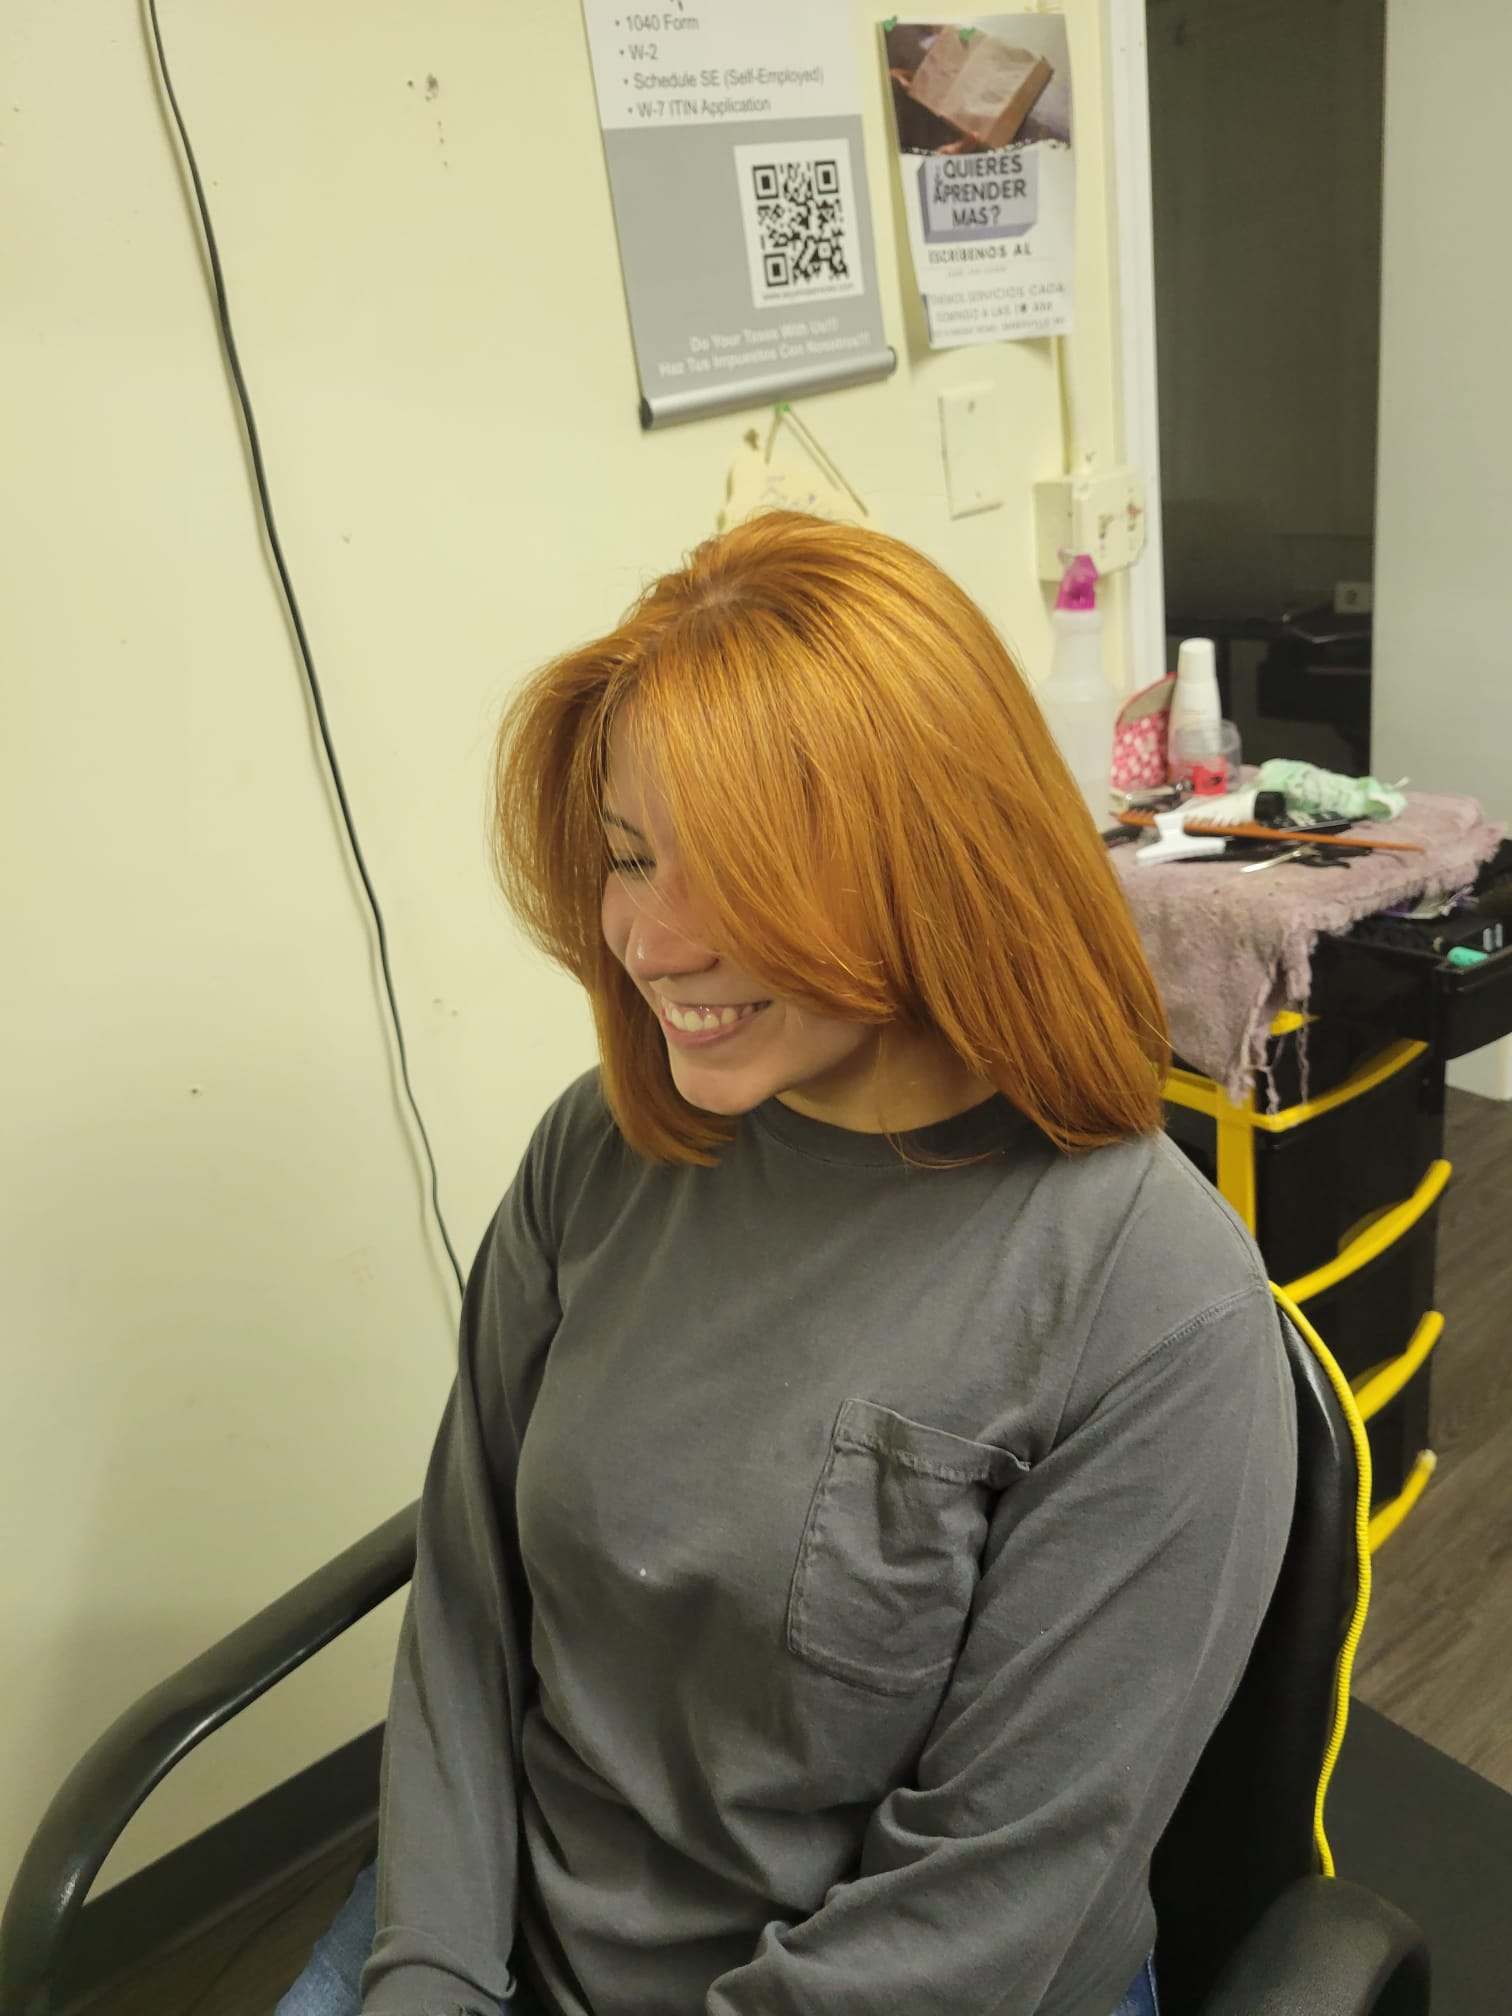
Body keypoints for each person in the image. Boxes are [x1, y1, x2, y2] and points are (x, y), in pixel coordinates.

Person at [276, 512, 1296, 2016]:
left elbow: (992, 1908)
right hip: (497, 1935)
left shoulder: (1148, 1306)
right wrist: (428, 1967)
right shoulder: (600, 1156)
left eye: (740, 877)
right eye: (630, 859)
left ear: (937, 864)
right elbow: (471, 1607)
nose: (651, 939)